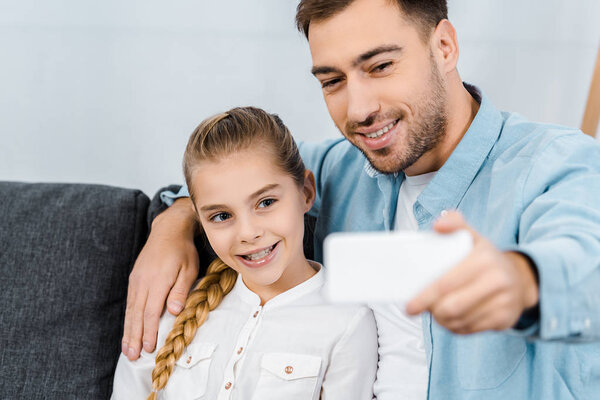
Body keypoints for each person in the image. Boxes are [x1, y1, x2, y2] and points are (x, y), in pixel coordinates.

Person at [122, 0, 600, 398]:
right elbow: (233, 175)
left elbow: (584, 268)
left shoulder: (555, 162)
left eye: (381, 66)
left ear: (445, 46)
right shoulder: (339, 167)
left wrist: (520, 282)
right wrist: (174, 221)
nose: (359, 109)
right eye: (332, 81)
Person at [112, 107, 378, 399]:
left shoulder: (347, 322)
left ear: (305, 193)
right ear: (200, 221)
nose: (248, 233)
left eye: (265, 202)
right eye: (222, 216)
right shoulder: (173, 307)